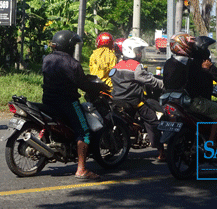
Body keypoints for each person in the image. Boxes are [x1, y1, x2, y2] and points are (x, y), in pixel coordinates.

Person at [42, 30, 102, 180]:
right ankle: (81, 169)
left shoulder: (47, 59)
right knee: (85, 132)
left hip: (48, 100)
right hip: (68, 103)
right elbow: (83, 85)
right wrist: (97, 89)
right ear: (69, 46)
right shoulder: (73, 64)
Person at [110, 37, 165, 161]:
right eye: (138, 50)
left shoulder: (117, 65)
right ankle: (162, 152)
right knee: (153, 121)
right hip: (134, 102)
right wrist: (165, 84)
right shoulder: (136, 66)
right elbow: (152, 81)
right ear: (130, 51)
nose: (140, 53)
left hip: (117, 101)